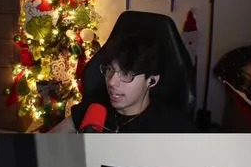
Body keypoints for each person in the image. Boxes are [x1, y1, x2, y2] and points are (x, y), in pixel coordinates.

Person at [64, 34, 197, 133]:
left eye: (126, 74)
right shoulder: (94, 108)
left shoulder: (174, 126)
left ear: (151, 81)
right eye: (110, 69)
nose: (112, 82)